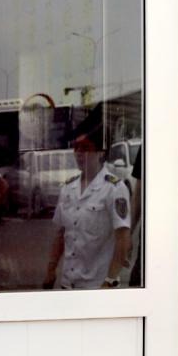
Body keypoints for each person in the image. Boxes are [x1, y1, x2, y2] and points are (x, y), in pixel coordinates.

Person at [43, 113, 131, 290]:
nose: (79, 154)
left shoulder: (114, 188)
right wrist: (51, 270)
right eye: (76, 148)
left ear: (100, 152)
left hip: (97, 286)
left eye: (85, 148)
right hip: (68, 283)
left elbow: (123, 239)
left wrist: (110, 280)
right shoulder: (68, 188)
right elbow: (61, 234)